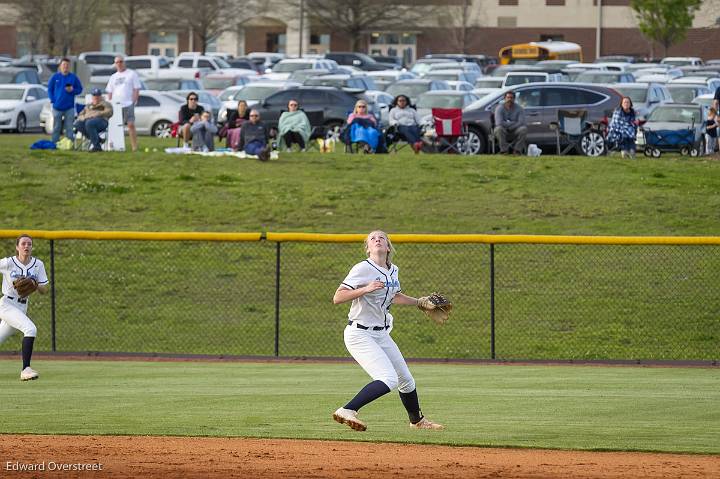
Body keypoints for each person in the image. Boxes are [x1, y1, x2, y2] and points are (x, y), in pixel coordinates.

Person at [331, 230, 444, 432]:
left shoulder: (393, 270)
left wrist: (419, 302)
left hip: (381, 334)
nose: (377, 240)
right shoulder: (362, 268)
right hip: (359, 333)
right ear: (368, 248)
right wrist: (365, 289)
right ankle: (347, 410)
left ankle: (417, 421)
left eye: (381, 237)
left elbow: (394, 296)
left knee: (406, 380)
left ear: (388, 246)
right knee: (388, 378)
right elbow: (338, 297)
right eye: (372, 238)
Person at [0, 234, 49, 381]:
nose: (26, 246)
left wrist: (35, 284)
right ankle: (25, 369)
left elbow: (44, 289)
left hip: (22, 307)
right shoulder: (9, 262)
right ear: (17, 247)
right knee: (30, 329)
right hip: (6, 304)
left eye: (29, 244)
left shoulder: (38, 264)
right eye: (23, 244)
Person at [106, 56, 142, 152]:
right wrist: (110, 103)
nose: (119, 64)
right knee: (115, 126)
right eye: (117, 62)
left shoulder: (131, 74)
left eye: (121, 61)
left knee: (131, 125)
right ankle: (113, 146)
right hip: (116, 105)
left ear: (124, 62)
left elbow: (136, 88)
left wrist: (133, 101)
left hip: (128, 103)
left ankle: (134, 147)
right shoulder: (113, 77)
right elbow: (109, 91)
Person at [47, 58, 83, 144]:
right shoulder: (55, 77)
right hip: (57, 107)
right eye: (63, 65)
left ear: (69, 67)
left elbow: (80, 89)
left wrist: (72, 90)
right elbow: (49, 89)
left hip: (69, 107)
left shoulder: (73, 77)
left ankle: (69, 144)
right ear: (60, 66)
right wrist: (53, 100)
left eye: (67, 65)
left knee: (69, 127)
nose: (65, 67)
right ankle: (54, 143)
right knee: (56, 127)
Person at [493, 90, 527, 155]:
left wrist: (509, 125)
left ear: (514, 99)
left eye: (511, 98)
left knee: (523, 129)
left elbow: (521, 122)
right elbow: (499, 123)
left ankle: (517, 150)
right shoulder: (499, 108)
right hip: (503, 130)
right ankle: (504, 150)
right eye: (508, 97)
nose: (509, 99)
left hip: (515, 130)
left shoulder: (519, 109)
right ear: (505, 99)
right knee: (498, 129)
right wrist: (513, 122)